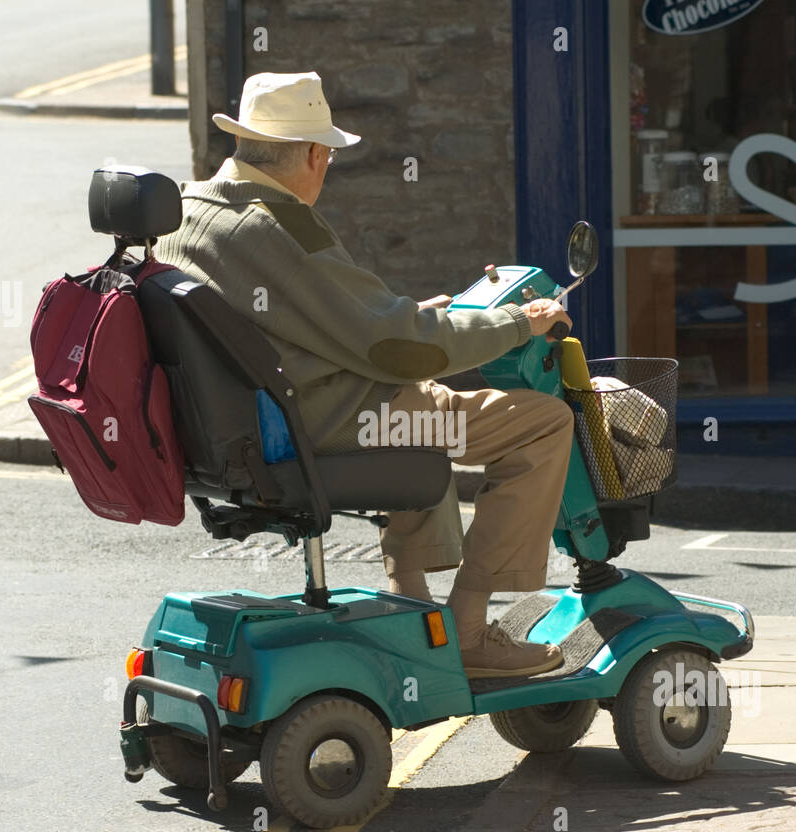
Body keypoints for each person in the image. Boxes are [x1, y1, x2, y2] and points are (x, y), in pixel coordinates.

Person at [156, 71, 574, 678]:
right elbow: (395, 349)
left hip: (262, 420)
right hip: (333, 423)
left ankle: (413, 610)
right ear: (313, 154)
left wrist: (414, 321)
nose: (326, 169)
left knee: (420, 402)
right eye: (327, 157)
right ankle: (469, 631)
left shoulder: (189, 212)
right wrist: (519, 324)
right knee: (541, 423)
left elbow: (315, 321)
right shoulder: (279, 227)